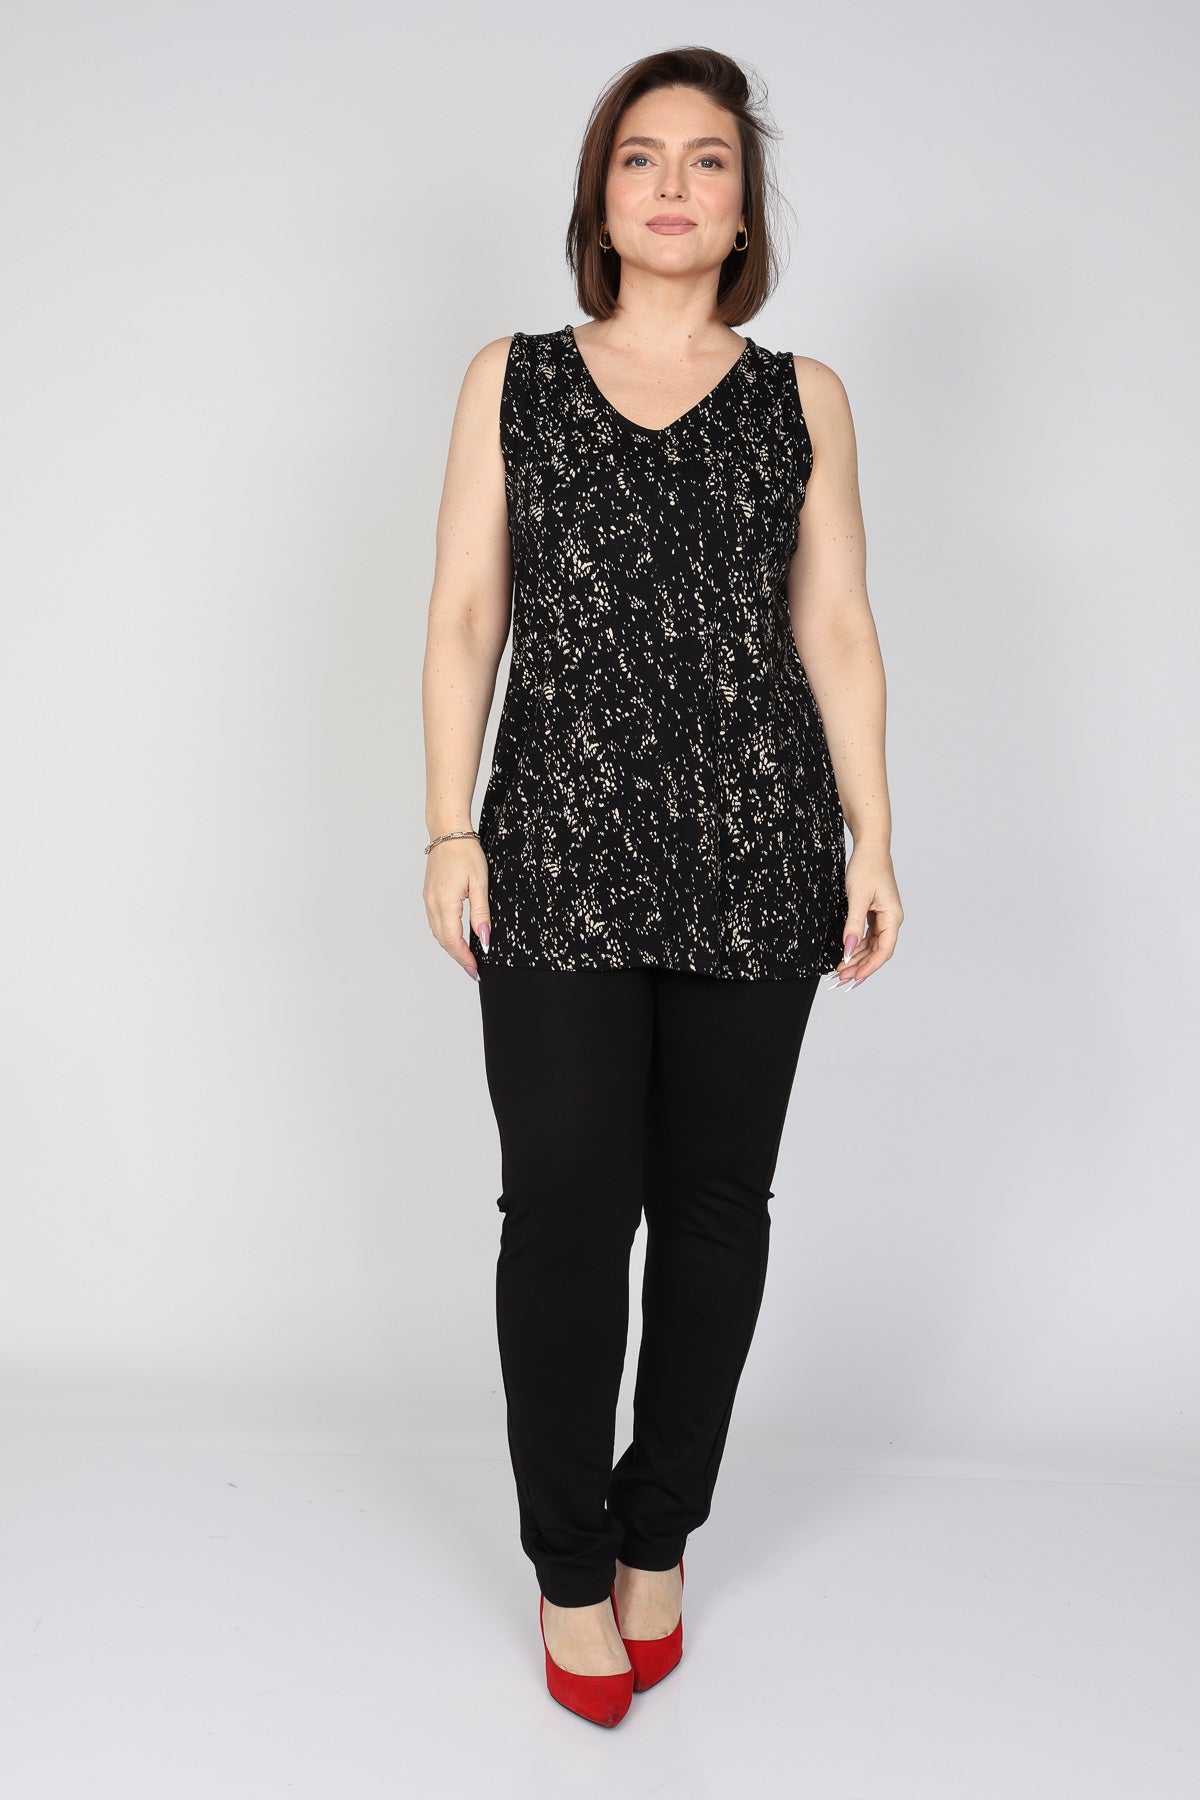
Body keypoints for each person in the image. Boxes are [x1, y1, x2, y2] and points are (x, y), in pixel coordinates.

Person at [421, 45, 902, 1727]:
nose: (675, 185)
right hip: (555, 843)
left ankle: (657, 1540)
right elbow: (464, 615)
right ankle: (568, 1563)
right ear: (601, 195)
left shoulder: (803, 398)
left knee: (713, 1210)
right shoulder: (513, 380)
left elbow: (836, 627)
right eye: (642, 157)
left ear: (744, 209)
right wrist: (449, 827)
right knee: (565, 1210)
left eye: (708, 160)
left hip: (761, 848)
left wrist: (873, 837)